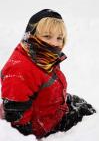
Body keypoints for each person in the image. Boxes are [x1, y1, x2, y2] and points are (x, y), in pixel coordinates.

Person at [0, 9, 96, 139]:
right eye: (47, 36)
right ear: (31, 35)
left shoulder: (43, 56)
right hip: (43, 127)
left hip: (52, 109)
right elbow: (17, 122)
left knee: (86, 108)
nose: (54, 43)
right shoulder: (20, 70)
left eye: (59, 38)